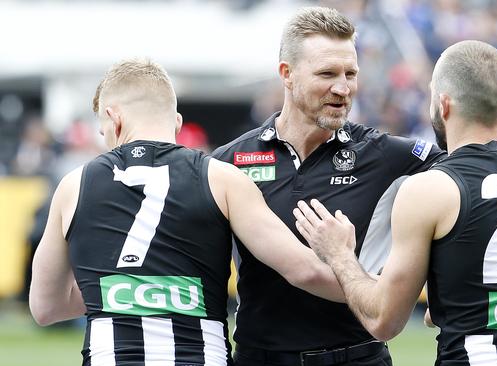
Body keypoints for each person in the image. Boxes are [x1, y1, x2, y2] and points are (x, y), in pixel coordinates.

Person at [212, 7, 497, 366]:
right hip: (259, 356)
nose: (342, 88)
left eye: (351, 73)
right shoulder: (230, 161)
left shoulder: (387, 154)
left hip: (358, 355)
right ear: (287, 73)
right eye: (327, 73)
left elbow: (488, 181)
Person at [28, 58, 344, 366]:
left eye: (103, 131)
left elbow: (45, 306)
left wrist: (121, 288)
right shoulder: (222, 178)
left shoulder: (74, 185)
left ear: (114, 119)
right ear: (176, 122)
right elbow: (305, 271)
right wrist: (377, 290)